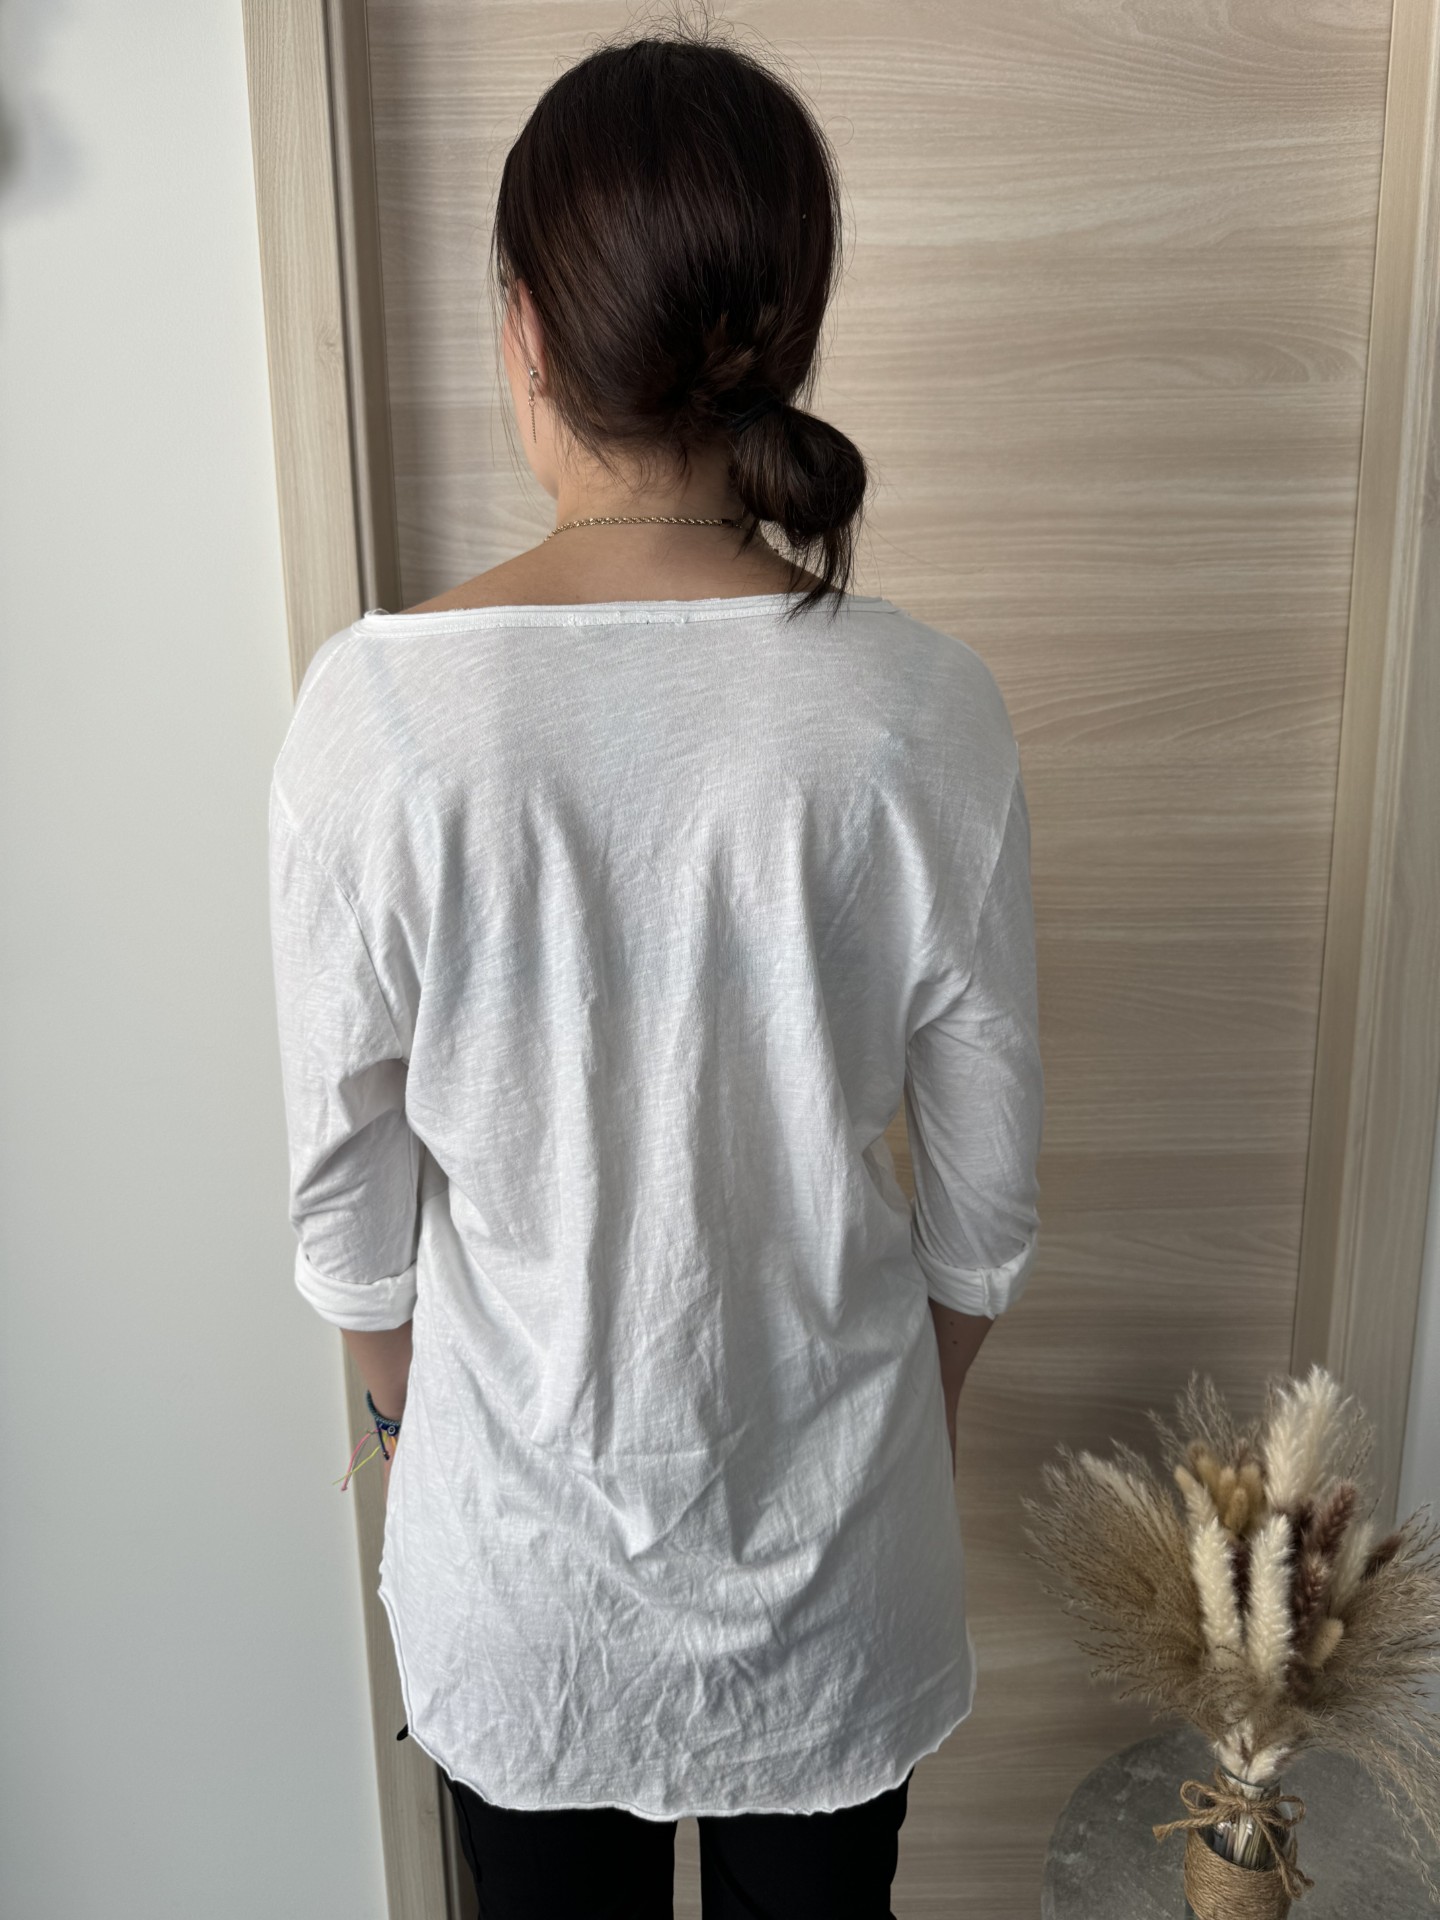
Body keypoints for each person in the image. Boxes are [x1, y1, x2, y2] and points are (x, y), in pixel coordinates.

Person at [267, 22, 1043, 1919]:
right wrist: (888, 1444)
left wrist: (415, 1431)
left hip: (521, 1597)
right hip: (838, 1578)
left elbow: (351, 1236)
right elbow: (985, 1218)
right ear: (786, 333)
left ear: (524, 329)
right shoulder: (924, 712)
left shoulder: (374, 721)